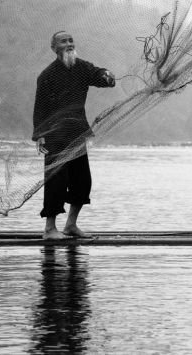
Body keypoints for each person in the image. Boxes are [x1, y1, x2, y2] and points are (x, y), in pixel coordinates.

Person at [33, 31, 115, 240]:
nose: (69, 44)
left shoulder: (81, 67)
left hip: (78, 133)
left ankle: (71, 225)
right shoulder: (47, 75)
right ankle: (50, 230)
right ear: (54, 48)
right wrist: (40, 134)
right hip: (55, 135)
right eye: (63, 41)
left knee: (82, 181)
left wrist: (107, 75)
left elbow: (98, 75)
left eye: (71, 40)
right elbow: (40, 108)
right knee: (56, 182)